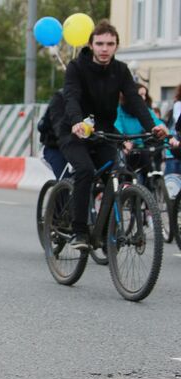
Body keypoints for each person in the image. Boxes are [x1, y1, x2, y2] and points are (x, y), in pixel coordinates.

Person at [60, 21, 166, 249]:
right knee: (85, 171)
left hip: (105, 131)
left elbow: (135, 101)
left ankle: (103, 230)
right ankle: (79, 232)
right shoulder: (76, 67)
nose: (104, 49)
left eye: (110, 44)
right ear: (91, 44)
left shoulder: (121, 70)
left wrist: (153, 127)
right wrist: (77, 121)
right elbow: (71, 96)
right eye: (100, 44)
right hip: (75, 131)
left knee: (117, 174)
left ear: (116, 46)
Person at [114, 83, 165, 184]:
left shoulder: (146, 110)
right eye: (140, 94)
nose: (143, 98)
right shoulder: (119, 110)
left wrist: (169, 136)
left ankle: (147, 196)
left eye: (145, 95)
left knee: (148, 168)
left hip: (140, 146)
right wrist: (124, 141)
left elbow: (158, 123)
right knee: (123, 173)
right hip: (123, 145)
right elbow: (117, 126)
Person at [39, 89, 68, 179]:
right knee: (65, 179)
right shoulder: (59, 98)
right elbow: (43, 126)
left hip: (77, 147)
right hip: (55, 147)